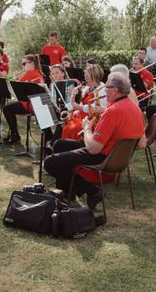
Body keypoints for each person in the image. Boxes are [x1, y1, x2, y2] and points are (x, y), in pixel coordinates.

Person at [43, 72, 147, 208]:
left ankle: (92, 191)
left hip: (103, 156)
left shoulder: (112, 111)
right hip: (118, 157)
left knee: (50, 163)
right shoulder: (135, 108)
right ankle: (70, 191)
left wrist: (86, 128)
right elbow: (141, 144)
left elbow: (93, 149)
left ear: (115, 90)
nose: (104, 90)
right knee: (59, 144)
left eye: (107, 87)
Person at [2, 55, 45, 144]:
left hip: (29, 105)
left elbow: (17, 88)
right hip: (31, 103)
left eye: (24, 63)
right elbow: (21, 87)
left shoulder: (32, 74)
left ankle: (15, 134)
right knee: (8, 107)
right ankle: (14, 134)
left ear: (32, 63)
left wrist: (15, 79)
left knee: (6, 108)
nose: (23, 66)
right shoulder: (35, 72)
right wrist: (16, 79)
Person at [60, 64, 106, 140]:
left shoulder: (102, 89)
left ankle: (71, 147)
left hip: (91, 119)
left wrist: (78, 107)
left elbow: (97, 109)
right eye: (85, 76)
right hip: (80, 116)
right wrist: (72, 97)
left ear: (94, 76)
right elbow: (78, 104)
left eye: (87, 77)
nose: (85, 79)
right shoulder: (88, 88)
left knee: (71, 128)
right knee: (64, 125)